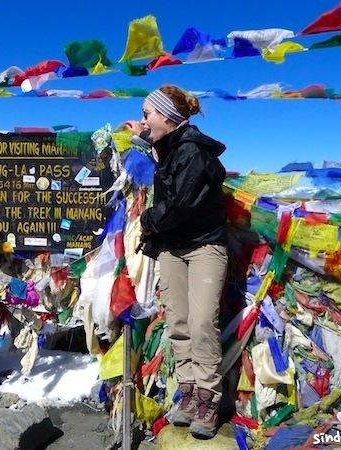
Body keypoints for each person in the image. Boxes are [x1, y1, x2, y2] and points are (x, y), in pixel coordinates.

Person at [127, 85, 228, 439]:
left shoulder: (193, 152)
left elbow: (180, 205)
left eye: (147, 114)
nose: (143, 121)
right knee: (178, 322)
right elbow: (156, 152)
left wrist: (147, 219)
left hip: (204, 247)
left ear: (167, 117)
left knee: (201, 323)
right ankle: (187, 391)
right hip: (172, 247)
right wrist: (141, 136)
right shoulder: (169, 148)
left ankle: (208, 399)